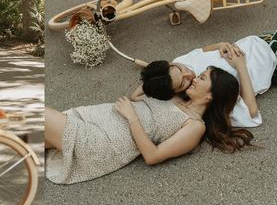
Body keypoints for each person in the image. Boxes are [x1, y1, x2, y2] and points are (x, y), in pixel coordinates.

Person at [45, 65, 253, 184]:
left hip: (104, 140)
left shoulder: (194, 126)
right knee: (25, 138)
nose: (195, 79)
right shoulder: (176, 96)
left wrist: (131, 117)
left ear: (210, 94)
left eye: (201, 78)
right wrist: (180, 73)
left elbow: (153, 156)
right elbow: (137, 94)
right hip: (95, 117)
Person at [135, 34, 277, 127]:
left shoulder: (179, 61)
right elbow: (251, 113)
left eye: (180, 69)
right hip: (272, 61)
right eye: (183, 83)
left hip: (257, 40)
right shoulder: (206, 93)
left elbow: (201, 51)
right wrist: (240, 66)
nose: (189, 74)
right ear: (175, 93)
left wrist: (219, 45)